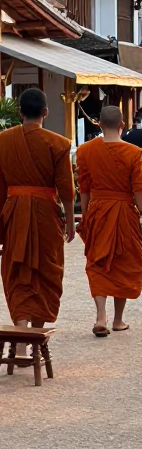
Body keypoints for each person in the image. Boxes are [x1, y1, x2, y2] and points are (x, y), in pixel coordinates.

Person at [0, 87, 75, 329]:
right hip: (45, 213)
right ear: (46, 112)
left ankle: (21, 332)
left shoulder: (2, 140)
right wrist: (70, 221)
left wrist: (0, 221)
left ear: (20, 112)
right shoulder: (58, 143)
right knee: (46, 269)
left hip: (15, 210)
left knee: (17, 270)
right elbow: (66, 189)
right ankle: (36, 333)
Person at [77, 105, 142, 336]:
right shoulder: (135, 153)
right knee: (123, 262)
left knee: (97, 262)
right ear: (122, 125)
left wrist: (86, 217)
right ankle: (118, 319)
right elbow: (138, 192)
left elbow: (84, 189)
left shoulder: (85, 151)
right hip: (125, 211)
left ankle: (100, 316)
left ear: (100, 124)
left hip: (98, 210)